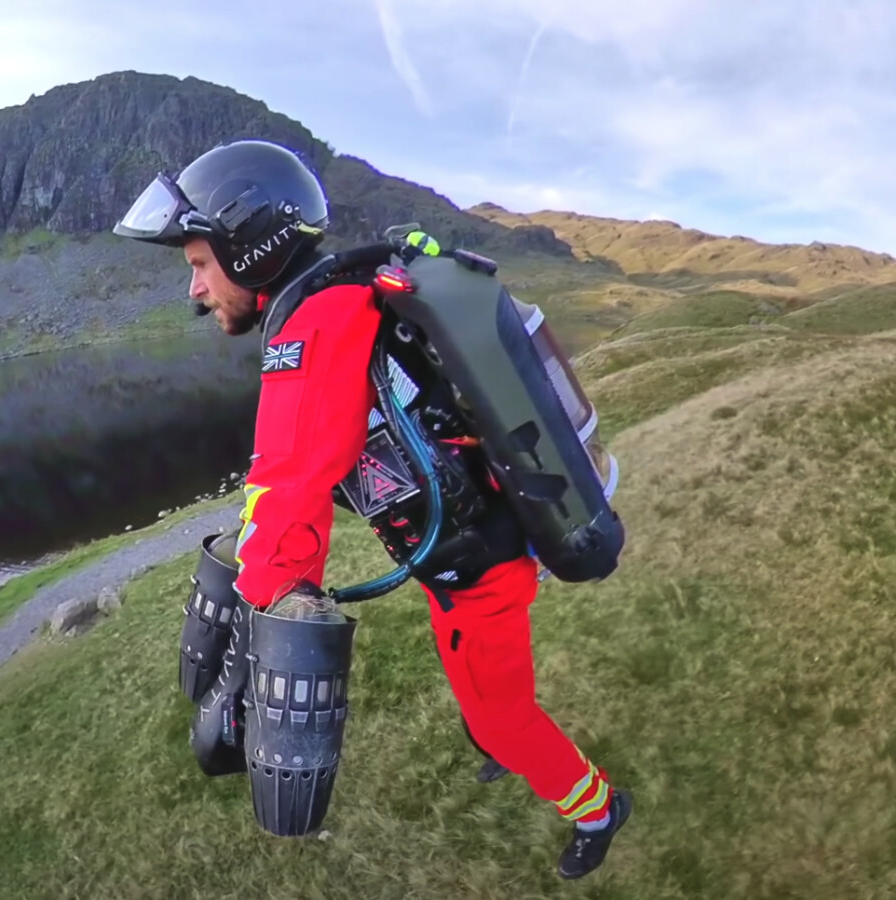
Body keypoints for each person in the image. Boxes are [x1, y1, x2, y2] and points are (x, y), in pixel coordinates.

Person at [113, 139, 631, 879]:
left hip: (481, 572)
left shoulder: (313, 329)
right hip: (469, 556)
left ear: (252, 248)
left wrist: (247, 650)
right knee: (479, 689)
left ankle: (599, 809)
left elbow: (289, 480)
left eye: (198, 264)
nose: (193, 289)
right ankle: (498, 745)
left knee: (505, 714)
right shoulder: (346, 297)